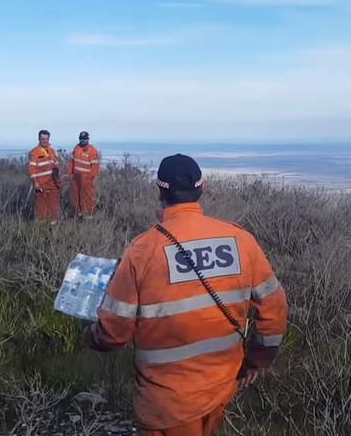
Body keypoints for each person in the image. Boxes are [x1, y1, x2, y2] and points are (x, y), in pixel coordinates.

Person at [83, 154, 288, 436]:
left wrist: (91, 337)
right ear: (201, 190)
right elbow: (274, 307)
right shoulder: (241, 240)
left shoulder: (143, 250)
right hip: (222, 387)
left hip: (168, 403)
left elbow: (113, 334)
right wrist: (256, 360)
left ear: (160, 191)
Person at [28, 129, 61, 223]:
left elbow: (56, 165)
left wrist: (58, 178)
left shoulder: (52, 151)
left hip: (53, 184)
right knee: (41, 209)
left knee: (53, 208)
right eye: (43, 139)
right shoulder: (34, 152)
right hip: (41, 185)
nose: (45, 140)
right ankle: (41, 231)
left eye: (47, 139)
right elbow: (32, 170)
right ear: (39, 139)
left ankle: (53, 230)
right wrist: (36, 183)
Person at [67, 131, 100, 218]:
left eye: (85, 139)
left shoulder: (92, 151)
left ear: (88, 139)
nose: (83, 140)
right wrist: (70, 174)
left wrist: (90, 179)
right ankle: (78, 214)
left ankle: (88, 216)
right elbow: (71, 162)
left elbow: (95, 167)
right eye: (81, 139)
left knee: (87, 197)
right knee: (75, 197)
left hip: (86, 179)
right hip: (75, 178)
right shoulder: (77, 148)